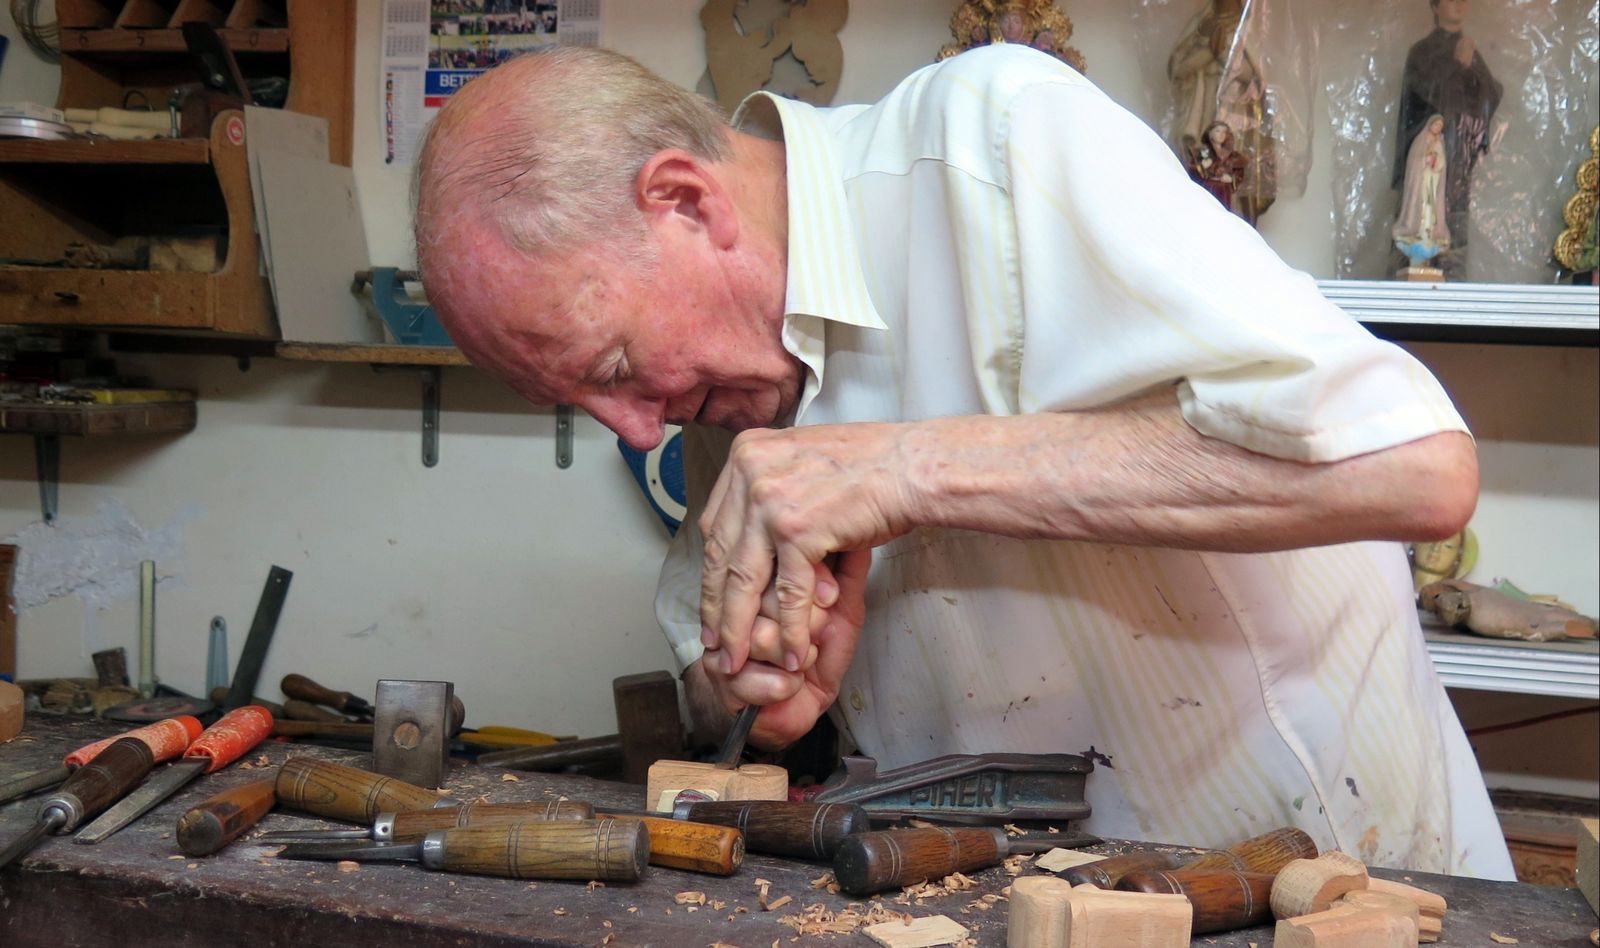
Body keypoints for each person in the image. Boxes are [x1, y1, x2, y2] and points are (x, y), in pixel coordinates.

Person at [413, 43, 1513, 879]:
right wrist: (756, 687)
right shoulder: (723, 378)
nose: (637, 431)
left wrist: (908, 470)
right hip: (1022, 906)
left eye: (613, 363)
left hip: (1338, 886)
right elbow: (736, 705)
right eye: (580, 402)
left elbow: (1414, 466)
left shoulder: (994, 138)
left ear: (685, 202)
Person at [1393, 0, 1502, 272]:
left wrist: (1470, 65)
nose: (1459, 4)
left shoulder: (1470, 50)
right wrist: (1457, 63)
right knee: (1423, 218)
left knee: (1454, 232)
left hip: (1460, 162)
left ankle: (1453, 283)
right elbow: (1423, 95)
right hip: (1428, 163)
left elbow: (1492, 94)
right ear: (1435, 6)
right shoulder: (1422, 52)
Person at [1393, 114, 1452, 269]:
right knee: (1419, 206)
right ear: (1430, 125)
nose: (1437, 128)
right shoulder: (1420, 141)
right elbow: (1414, 161)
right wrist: (1425, 160)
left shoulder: (1439, 143)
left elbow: (1442, 164)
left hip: (1433, 181)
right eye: (1436, 125)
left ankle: (1428, 234)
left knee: (1430, 210)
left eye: (1440, 126)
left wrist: (1436, 162)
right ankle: (1416, 231)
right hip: (1421, 182)